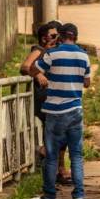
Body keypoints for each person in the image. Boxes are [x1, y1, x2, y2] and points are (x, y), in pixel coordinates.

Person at [30, 23, 92, 199]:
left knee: (51, 155)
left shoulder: (52, 54)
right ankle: (79, 195)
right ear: (76, 37)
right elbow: (87, 83)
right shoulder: (83, 55)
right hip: (75, 110)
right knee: (77, 155)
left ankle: (49, 195)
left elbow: (33, 70)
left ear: (60, 36)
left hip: (55, 111)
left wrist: (47, 66)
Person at [21, 21, 73, 184]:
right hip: (45, 99)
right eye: (53, 35)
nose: (57, 38)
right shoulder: (39, 50)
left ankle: (56, 167)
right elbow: (25, 67)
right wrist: (37, 75)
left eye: (59, 35)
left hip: (59, 99)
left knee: (61, 134)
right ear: (44, 38)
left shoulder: (56, 51)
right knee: (58, 133)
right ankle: (52, 163)